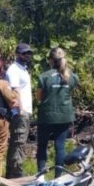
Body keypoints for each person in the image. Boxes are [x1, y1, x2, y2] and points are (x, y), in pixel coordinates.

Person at [36, 47, 78, 177]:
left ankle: (41, 176)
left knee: (42, 145)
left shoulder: (44, 76)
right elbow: (70, 91)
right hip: (64, 115)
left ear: (50, 60)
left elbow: (38, 97)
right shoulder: (72, 76)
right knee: (60, 147)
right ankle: (58, 177)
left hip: (46, 116)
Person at [5, 43, 34, 178]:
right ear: (17, 54)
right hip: (19, 111)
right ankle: (15, 171)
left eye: (28, 53)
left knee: (20, 140)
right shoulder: (13, 69)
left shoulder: (23, 68)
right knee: (18, 141)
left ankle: (13, 170)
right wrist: (21, 109)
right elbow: (15, 90)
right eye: (24, 53)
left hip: (25, 110)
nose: (27, 55)